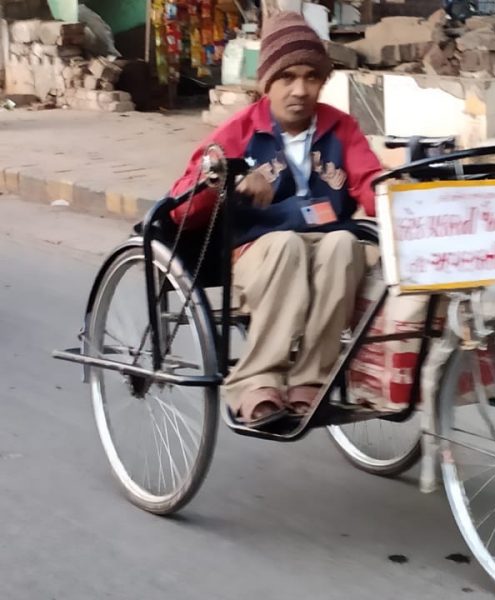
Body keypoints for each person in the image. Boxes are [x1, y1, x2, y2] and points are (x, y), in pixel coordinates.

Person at [169, 11, 382, 428]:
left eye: (310, 78)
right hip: (257, 253)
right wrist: (227, 178)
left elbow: (370, 182)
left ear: (322, 82)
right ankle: (256, 381)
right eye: (287, 78)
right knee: (285, 245)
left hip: (326, 242)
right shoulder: (239, 131)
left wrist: (400, 198)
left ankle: (311, 380)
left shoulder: (341, 127)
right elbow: (181, 203)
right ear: (267, 84)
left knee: (345, 245)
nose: (300, 90)